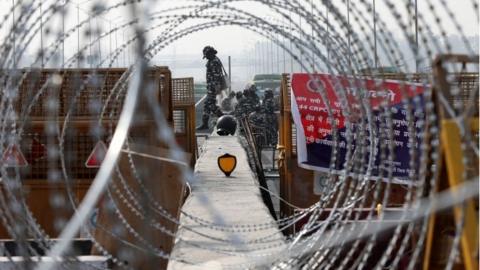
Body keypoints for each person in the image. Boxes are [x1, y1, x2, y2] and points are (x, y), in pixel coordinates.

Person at [196, 46, 226, 130]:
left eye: (207, 55)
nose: (206, 58)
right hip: (211, 87)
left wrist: (216, 88)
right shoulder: (213, 60)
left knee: (209, 105)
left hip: (213, 87)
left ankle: (223, 119)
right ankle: (219, 119)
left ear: (210, 53)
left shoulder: (214, 62)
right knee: (210, 105)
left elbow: (216, 76)